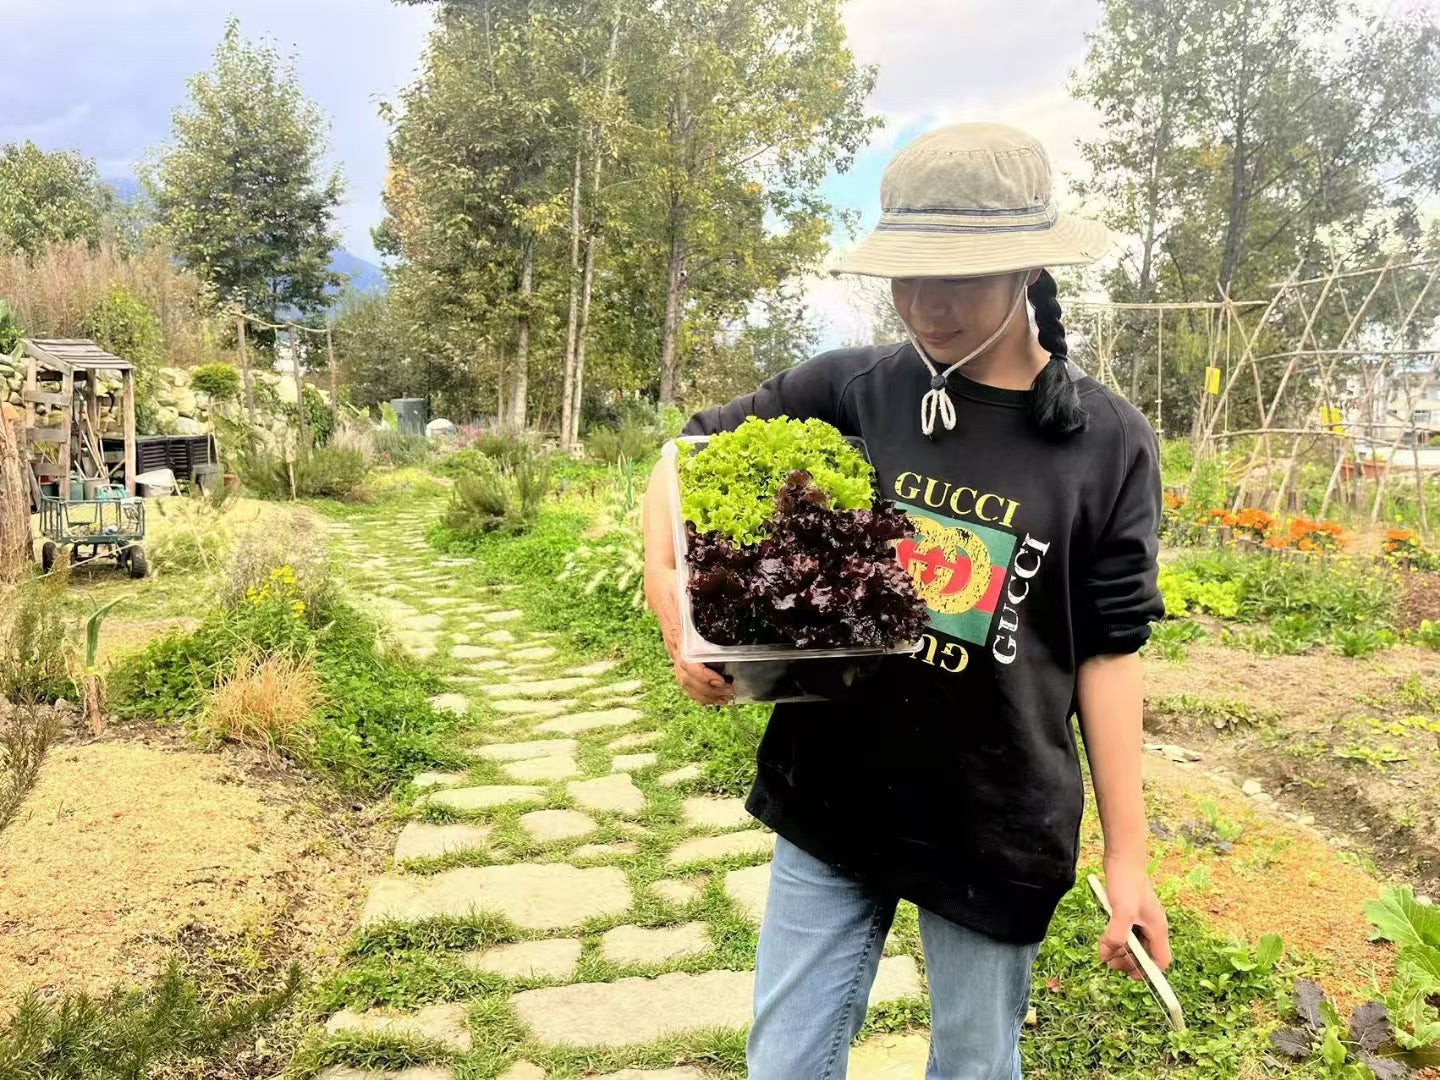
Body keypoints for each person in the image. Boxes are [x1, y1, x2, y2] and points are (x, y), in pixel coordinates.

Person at [641, 122, 1171, 1080]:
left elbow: (1110, 653)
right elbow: (684, 457)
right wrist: (675, 601)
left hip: (995, 819)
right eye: (908, 273)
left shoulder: (1107, 443)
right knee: (786, 1062)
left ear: (1027, 269)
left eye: (958, 276)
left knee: (975, 1066)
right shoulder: (855, 390)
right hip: (835, 793)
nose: (927, 303)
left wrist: (1128, 861)